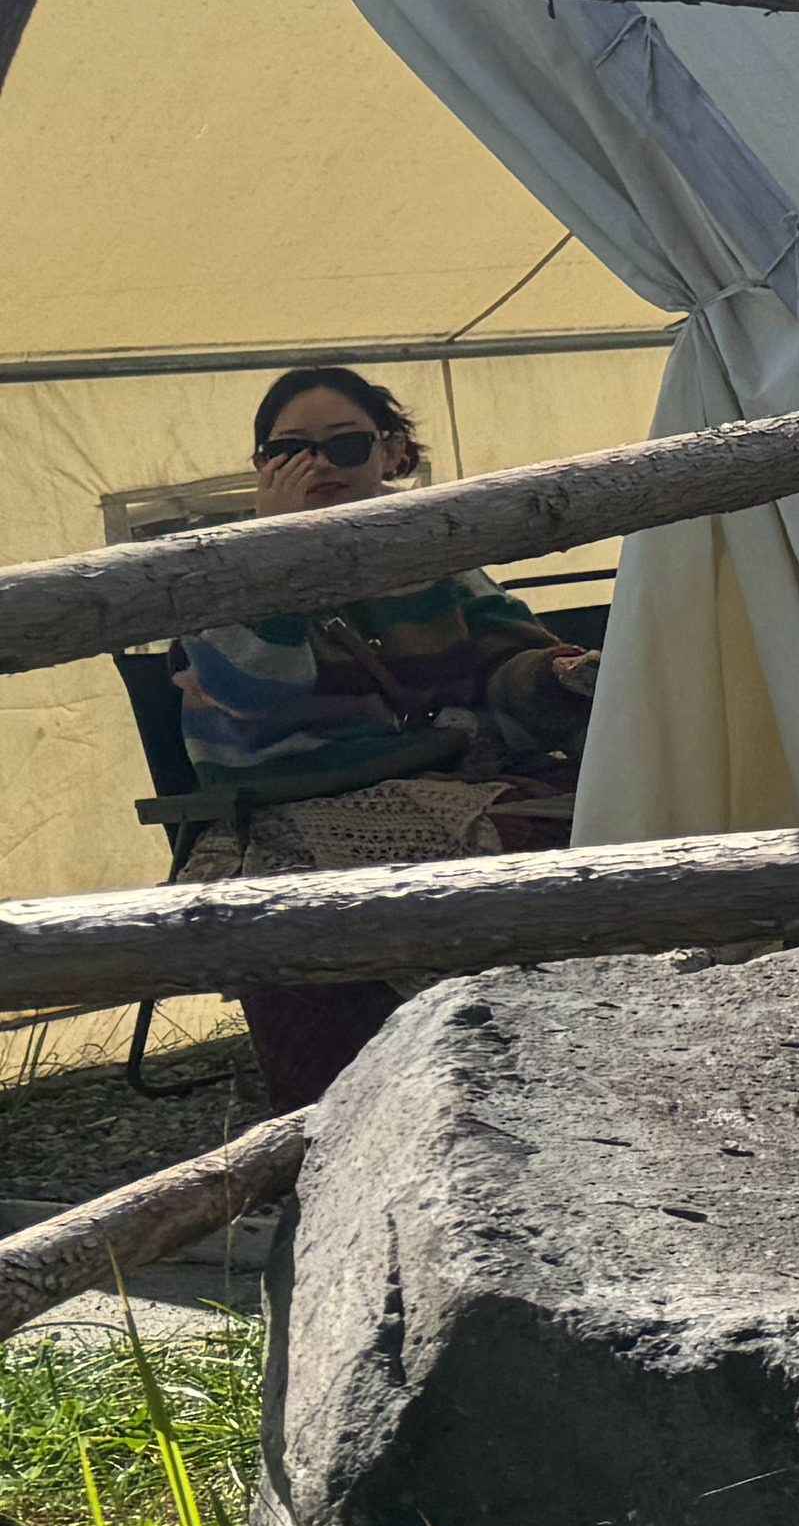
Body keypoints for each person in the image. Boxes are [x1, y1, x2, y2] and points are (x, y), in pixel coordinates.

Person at [170, 366, 594, 1110]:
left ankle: (550, 1074)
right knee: (520, 839)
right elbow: (257, 695)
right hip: (294, 800)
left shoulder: (432, 549)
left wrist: (560, 676)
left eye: (346, 444)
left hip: (439, 780)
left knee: (617, 811)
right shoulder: (221, 565)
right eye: (290, 451)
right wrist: (279, 552)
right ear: (262, 466)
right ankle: (400, 1091)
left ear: (390, 453)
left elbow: (501, 661)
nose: (320, 466)